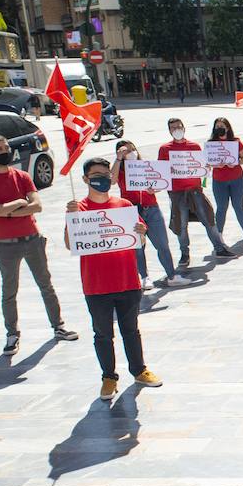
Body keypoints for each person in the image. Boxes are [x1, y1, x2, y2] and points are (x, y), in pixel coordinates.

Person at [64, 158, 163, 400]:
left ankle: (139, 370)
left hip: (127, 280)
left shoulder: (124, 205)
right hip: (96, 284)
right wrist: (71, 221)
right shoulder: (80, 209)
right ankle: (108, 377)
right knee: (103, 334)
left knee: (131, 330)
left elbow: (138, 241)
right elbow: (70, 244)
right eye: (97, 174)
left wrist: (141, 232)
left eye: (106, 173)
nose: (103, 178)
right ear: (86, 179)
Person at [0, 132, 79, 355]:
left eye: (6, 147)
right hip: (5, 244)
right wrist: (20, 202)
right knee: (9, 290)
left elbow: (37, 206)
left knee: (46, 284)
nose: (5, 152)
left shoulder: (22, 176)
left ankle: (58, 326)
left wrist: (7, 211)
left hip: (32, 239)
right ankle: (12, 334)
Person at [114, 140, 190, 289]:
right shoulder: (121, 171)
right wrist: (118, 159)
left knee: (162, 244)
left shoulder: (146, 166)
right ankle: (144, 277)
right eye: (125, 151)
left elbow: (160, 181)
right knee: (138, 247)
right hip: (132, 210)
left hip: (152, 208)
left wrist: (155, 188)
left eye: (131, 149)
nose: (129, 153)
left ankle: (171, 275)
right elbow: (111, 180)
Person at [159, 118, 234, 267]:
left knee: (209, 219)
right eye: (173, 128)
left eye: (179, 127)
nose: (176, 130)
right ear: (169, 131)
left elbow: (203, 165)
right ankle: (184, 254)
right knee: (181, 225)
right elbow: (161, 170)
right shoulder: (165, 149)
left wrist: (207, 167)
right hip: (177, 192)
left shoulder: (194, 146)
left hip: (195, 190)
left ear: (184, 128)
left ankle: (219, 248)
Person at [208, 117, 243, 243]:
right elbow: (207, 162)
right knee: (221, 207)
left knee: (238, 205)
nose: (220, 129)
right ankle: (219, 235)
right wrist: (216, 165)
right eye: (217, 127)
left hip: (236, 179)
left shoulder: (235, 142)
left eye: (222, 126)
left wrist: (236, 162)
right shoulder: (211, 144)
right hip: (219, 180)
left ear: (227, 128)